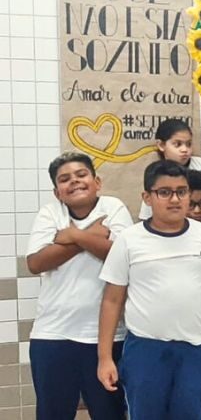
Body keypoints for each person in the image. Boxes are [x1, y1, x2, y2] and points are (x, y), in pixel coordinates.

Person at [97, 160, 201, 420]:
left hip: (195, 348)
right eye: (164, 192)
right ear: (147, 197)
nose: (175, 199)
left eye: (181, 191)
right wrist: (104, 357)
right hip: (145, 349)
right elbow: (112, 300)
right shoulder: (129, 240)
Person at [26, 152, 133, 420]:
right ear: (57, 192)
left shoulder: (113, 207)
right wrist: (91, 237)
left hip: (107, 339)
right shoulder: (50, 212)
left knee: (110, 414)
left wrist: (73, 235)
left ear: (97, 181)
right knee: (53, 414)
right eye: (65, 179)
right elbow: (36, 262)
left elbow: (121, 256)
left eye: (81, 175)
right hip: (52, 335)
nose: (74, 181)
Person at [139, 118, 201, 220]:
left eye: (188, 144)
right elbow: (146, 217)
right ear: (161, 145)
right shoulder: (157, 174)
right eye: (177, 144)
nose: (184, 150)